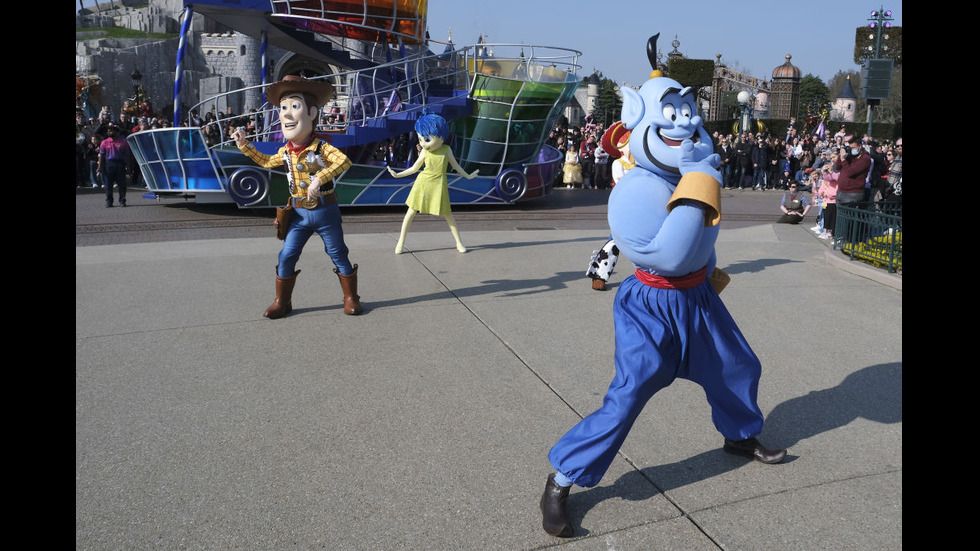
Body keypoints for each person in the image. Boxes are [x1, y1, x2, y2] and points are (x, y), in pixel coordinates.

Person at [541, 43, 786, 539]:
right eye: (669, 115)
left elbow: (702, 240)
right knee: (629, 394)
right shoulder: (636, 190)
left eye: (689, 114)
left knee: (736, 366)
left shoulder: (685, 174)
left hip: (696, 298)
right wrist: (700, 177)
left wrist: (710, 270)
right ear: (640, 124)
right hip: (651, 303)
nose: (683, 125)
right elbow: (671, 254)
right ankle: (562, 478)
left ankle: (740, 435)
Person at [231, 74, 362, 318]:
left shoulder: (322, 147)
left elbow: (344, 161)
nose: (287, 114)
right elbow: (268, 162)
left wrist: (320, 179)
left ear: (312, 113)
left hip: (325, 211)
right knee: (287, 254)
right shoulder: (286, 152)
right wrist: (244, 146)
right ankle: (282, 301)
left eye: (294, 106)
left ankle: (351, 297)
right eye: (283, 108)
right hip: (299, 214)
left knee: (338, 253)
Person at [387, 112, 479, 254]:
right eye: (421, 139)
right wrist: (397, 174)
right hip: (423, 184)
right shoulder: (424, 152)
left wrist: (468, 175)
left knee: (448, 214)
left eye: (427, 139)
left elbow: (456, 166)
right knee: (410, 212)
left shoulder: (446, 150)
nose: (423, 143)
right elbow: (414, 168)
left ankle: (459, 243)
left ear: (441, 137)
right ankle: (400, 242)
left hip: (439, 186)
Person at [586, 122, 633, 291]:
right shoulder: (618, 163)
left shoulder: (641, 165)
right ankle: (599, 274)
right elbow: (621, 182)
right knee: (615, 240)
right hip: (624, 206)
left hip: (641, 208)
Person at [97, 123, 131, 207]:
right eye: (108, 131)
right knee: (108, 184)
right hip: (109, 164)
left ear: (117, 132)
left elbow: (127, 156)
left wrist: (129, 167)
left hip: (120, 164)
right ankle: (109, 201)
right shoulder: (104, 142)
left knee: (122, 184)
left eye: (111, 131)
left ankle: (122, 200)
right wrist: (100, 167)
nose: (109, 132)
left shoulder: (123, 143)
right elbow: (101, 155)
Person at [834, 135, 871, 206]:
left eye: (853, 148)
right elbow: (838, 167)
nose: (851, 150)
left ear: (860, 146)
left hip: (852, 193)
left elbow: (851, 172)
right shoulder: (849, 156)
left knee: (848, 216)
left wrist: (844, 160)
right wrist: (841, 155)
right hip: (841, 191)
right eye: (850, 148)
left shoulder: (865, 158)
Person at [816, 163, 839, 239]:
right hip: (825, 202)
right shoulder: (824, 181)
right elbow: (820, 190)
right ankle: (825, 231)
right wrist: (822, 193)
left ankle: (830, 232)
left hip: (833, 202)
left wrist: (828, 194)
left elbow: (835, 191)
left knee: (832, 218)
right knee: (826, 217)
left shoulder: (834, 181)